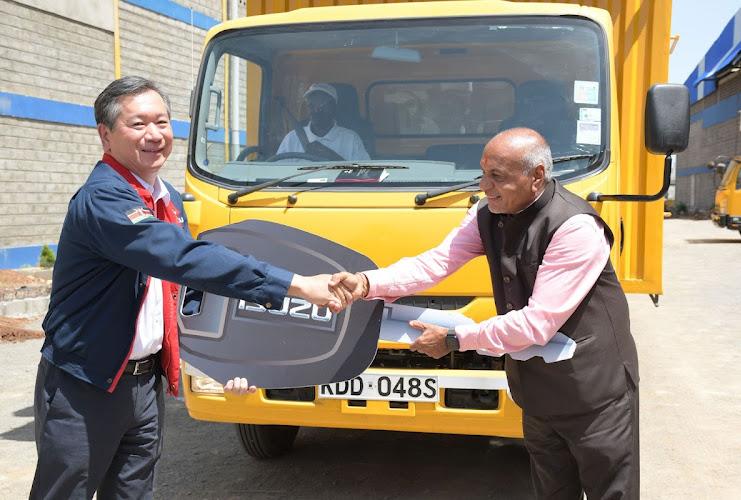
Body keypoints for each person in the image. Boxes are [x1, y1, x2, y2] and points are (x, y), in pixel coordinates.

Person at [31, 76, 351, 500]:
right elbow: (186, 260)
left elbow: (184, 297)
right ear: (105, 135)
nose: (154, 135)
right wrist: (296, 285)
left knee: (134, 494)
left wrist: (231, 362)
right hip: (84, 385)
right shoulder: (105, 200)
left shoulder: (167, 199)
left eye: (162, 122)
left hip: (143, 388)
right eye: (138, 124)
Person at [330, 127, 640, 499]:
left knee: (611, 492)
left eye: (498, 176)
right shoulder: (488, 213)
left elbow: (537, 323)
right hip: (538, 390)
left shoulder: (575, 227)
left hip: (594, 392)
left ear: (536, 176)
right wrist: (367, 283)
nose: (484, 185)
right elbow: (437, 263)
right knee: (552, 491)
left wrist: (455, 338)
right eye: (482, 173)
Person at [276, 82, 370, 161]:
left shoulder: (351, 139)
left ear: (334, 107)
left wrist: (331, 156)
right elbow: (277, 173)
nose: (317, 110)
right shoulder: (292, 138)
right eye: (312, 105)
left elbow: (365, 175)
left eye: (323, 105)